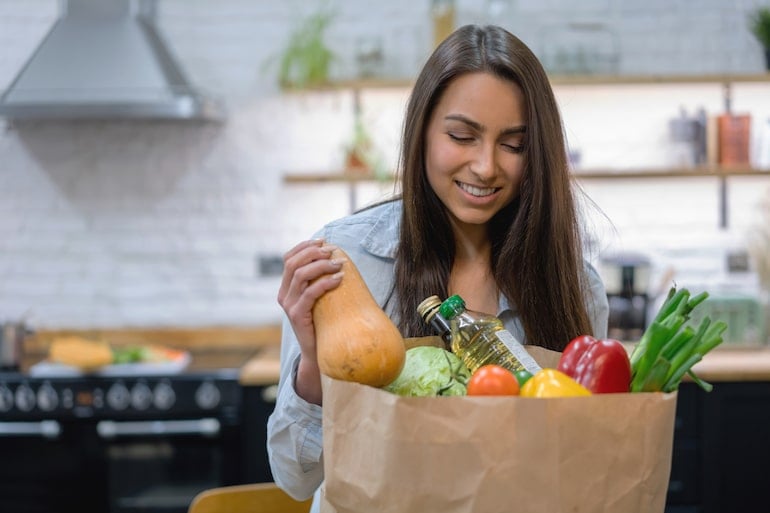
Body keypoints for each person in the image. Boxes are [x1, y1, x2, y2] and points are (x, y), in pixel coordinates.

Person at [267, 24, 609, 510]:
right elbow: (295, 479)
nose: (486, 166)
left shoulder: (577, 288)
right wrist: (312, 364)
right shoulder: (345, 263)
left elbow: (580, 471)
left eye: (513, 144)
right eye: (462, 136)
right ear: (422, 133)